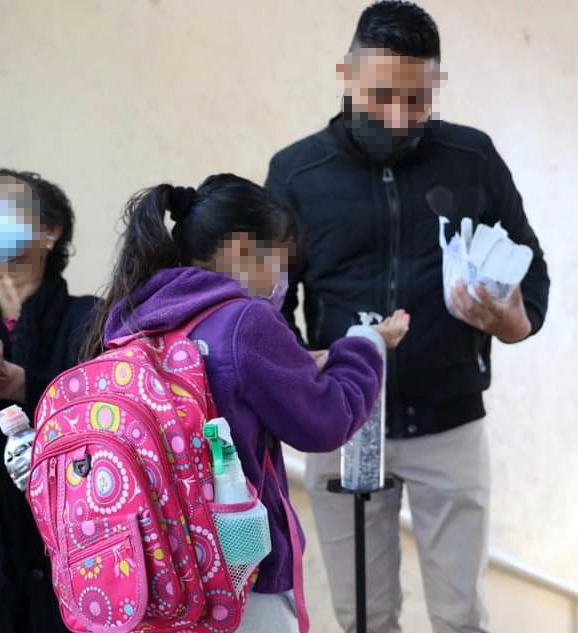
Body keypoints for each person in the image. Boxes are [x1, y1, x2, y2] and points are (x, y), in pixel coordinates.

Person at [265, 2, 550, 631]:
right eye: (381, 96)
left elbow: (533, 277)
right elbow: (270, 308)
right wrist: (299, 368)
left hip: (451, 426)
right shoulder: (296, 173)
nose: (397, 119)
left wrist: (509, 319)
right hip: (343, 424)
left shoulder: (473, 159)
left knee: (460, 615)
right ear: (347, 75)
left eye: (417, 101)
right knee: (363, 616)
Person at [82, 174, 409, 631]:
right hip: (239, 571)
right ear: (239, 249)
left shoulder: (134, 317)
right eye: (279, 256)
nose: (283, 274)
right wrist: (365, 345)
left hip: (155, 569)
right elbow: (325, 420)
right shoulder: (244, 320)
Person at [0, 169, 98, 633]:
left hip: (77, 552)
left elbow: (109, 416)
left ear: (50, 231)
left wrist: (27, 388)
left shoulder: (92, 320)